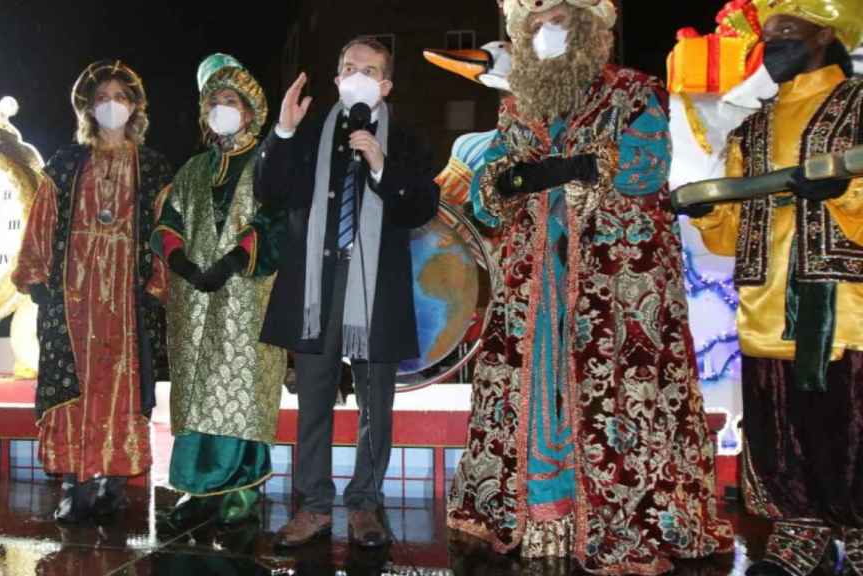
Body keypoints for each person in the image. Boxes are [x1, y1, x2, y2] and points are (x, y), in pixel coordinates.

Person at [445, 1, 733, 573]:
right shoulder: (516, 107)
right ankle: (541, 510)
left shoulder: (633, 94)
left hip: (611, 282)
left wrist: (573, 170)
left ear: (586, 26)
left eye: (557, 18)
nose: (545, 32)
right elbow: (488, 191)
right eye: (535, 23)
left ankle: (604, 516)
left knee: (611, 394)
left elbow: (646, 166)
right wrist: (514, 179)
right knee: (537, 385)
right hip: (533, 281)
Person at [690, 1, 863, 574]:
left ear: (825, 35)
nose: (775, 43)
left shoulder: (859, 104)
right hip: (765, 305)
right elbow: (728, 239)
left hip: (845, 309)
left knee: (847, 426)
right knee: (778, 430)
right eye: (769, 35)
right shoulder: (752, 125)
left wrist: (844, 193)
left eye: (788, 30)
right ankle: (799, 530)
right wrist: (710, 213)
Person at [254, 37, 439, 548]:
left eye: (370, 70)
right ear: (337, 79)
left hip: (377, 289)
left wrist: (381, 166)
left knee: (375, 404)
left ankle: (364, 505)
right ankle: (314, 506)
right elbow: (268, 191)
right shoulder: (309, 131)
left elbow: (421, 207)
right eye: (349, 68)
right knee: (313, 399)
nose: (358, 76)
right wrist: (282, 131)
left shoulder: (407, 139)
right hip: (316, 286)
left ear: (386, 85)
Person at [12, 60, 173, 523]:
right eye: (102, 98)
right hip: (73, 294)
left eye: (120, 97)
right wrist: (38, 279)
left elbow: (166, 229)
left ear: (135, 106)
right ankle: (75, 484)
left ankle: (112, 486)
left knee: (123, 386)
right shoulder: (65, 163)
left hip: (127, 296)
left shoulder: (154, 166)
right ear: (88, 107)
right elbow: (42, 220)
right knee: (75, 388)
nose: (111, 105)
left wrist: (157, 283)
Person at [152, 54, 286, 529]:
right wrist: (182, 264)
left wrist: (232, 262)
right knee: (195, 391)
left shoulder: (267, 162)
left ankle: (241, 492)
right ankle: (197, 490)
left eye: (230, 100)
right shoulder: (192, 170)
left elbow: (274, 222)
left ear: (250, 110)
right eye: (213, 101)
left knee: (242, 389)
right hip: (193, 299)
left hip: (247, 299)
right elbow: (167, 223)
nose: (220, 108)